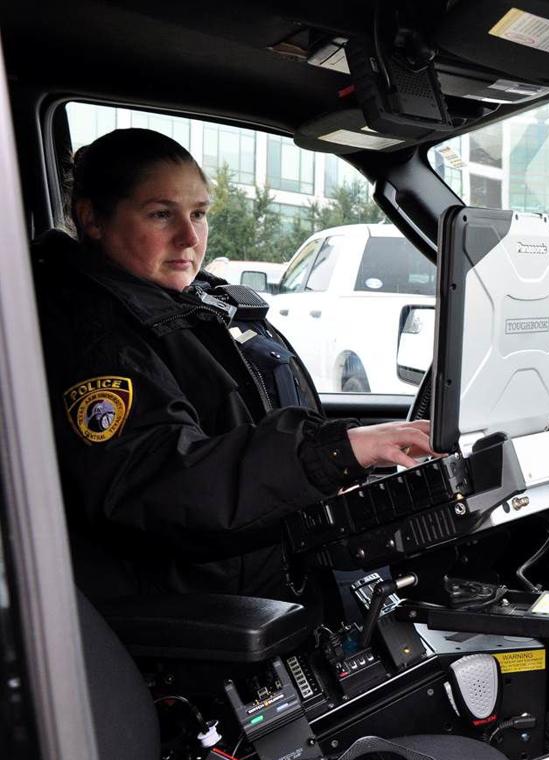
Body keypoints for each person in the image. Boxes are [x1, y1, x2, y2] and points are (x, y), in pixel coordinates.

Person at [33, 128, 435, 600]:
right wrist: (329, 456)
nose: (189, 236)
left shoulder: (182, 304)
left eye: (199, 214)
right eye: (161, 215)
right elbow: (160, 486)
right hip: (195, 614)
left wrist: (328, 476)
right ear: (93, 220)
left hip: (255, 576)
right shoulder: (95, 339)